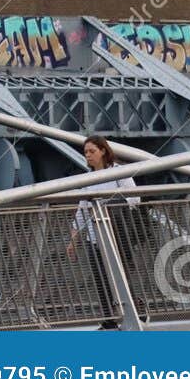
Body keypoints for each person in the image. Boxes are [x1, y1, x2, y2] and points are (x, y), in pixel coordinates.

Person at [65, 135, 139, 328]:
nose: (88, 156)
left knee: (121, 277)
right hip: (94, 237)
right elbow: (82, 208)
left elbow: (134, 198)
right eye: (86, 152)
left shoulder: (119, 172)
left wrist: (106, 205)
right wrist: (73, 238)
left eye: (92, 151)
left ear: (103, 151)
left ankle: (136, 314)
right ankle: (109, 320)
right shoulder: (88, 178)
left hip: (115, 234)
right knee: (100, 280)